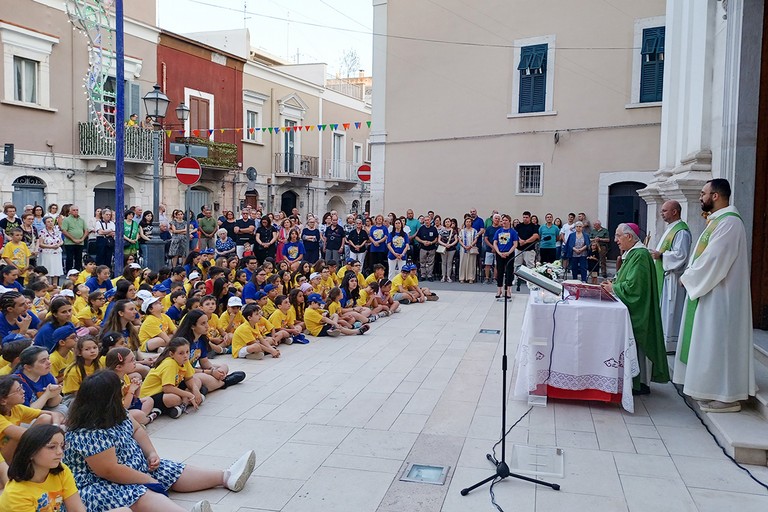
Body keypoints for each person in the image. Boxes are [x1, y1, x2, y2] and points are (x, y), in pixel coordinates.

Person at [64, 370, 256, 511]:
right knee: (139, 493)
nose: (124, 388)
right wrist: (146, 479)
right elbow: (109, 470)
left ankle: (226, 476)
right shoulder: (87, 432)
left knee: (168, 469)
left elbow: (137, 429)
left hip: (133, 466)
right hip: (98, 485)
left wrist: (151, 453)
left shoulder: (115, 411)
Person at [672, 179, 756, 413]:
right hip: (712, 290)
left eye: (703, 193)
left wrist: (688, 278)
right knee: (712, 341)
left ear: (716, 196)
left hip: (723, 294)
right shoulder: (718, 221)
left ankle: (728, 397)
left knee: (720, 341)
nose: (700, 197)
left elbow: (716, 258)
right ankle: (713, 390)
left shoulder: (729, 222)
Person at [601, 223, 670, 395]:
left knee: (637, 344)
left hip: (639, 309)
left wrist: (614, 289)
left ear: (629, 236)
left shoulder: (639, 255)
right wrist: (614, 284)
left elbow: (635, 287)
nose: (616, 240)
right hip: (632, 307)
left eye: (618, 236)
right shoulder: (633, 254)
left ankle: (639, 383)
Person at [648, 200, 691, 354]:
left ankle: (670, 344)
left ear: (675, 212)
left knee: (672, 311)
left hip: (673, 279)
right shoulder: (671, 229)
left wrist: (661, 255)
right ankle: (663, 341)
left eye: (665, 210)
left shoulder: (681, 231)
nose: (662, 213)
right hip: (665, 277)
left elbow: (681, 255)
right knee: (665, 311)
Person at [492, 214, 519, 300]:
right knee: (500, 271)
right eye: (503, 220)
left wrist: (509, 252)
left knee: (509, 271)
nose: (504, 221)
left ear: (509, 221)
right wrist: (499, 252)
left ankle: (508, 290)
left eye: (506, 220)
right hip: (500, 253)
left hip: (509, 253)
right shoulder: (499, 231)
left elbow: (515, 244)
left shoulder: (513, 232)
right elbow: (495, 243)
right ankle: (499, 289)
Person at [60, 206, 89, 272]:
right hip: (69, 243)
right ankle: (69, 272)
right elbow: (64, 231)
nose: (75, 211)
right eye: (74, 210)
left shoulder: (82, 220)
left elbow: (86, 230)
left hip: (80, 242)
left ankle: (77, 272)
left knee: (78, 258)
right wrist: (73, 239)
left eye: (77, 210)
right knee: (69, 258)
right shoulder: (66, 220)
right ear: (70, 211)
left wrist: (82, 239)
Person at [458, 217, 478, 283]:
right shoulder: (462, 231)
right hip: (463, 249)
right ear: (465, 223)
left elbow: (475, 239)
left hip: (471, 249)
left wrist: (471, 245)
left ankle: (471, 278)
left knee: (471, 263)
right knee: (463, 263)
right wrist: (464, 246)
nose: (468, 223)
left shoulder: (474, 231)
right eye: (467, 221)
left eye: (469, 221)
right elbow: (459, 239)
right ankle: (462, 277)